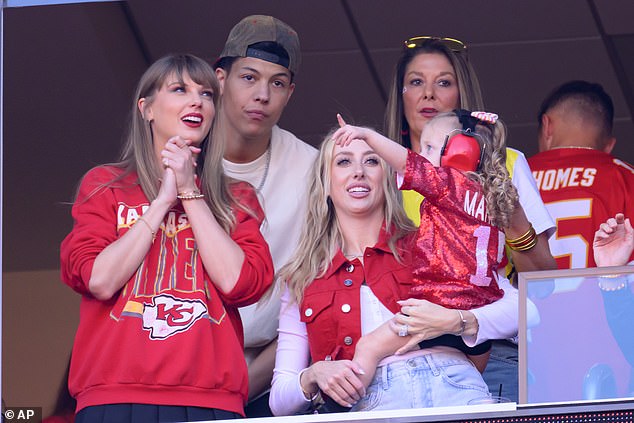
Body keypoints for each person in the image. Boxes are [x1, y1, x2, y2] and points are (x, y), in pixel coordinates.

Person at [60, 54, 274, 421]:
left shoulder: (237, 196)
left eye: (207, 94)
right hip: (114, 394)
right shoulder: (105, 185)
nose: (197, 101)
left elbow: (240, 283)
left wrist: (191, 192)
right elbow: (99, 278)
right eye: (180, 90)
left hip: (211, 399)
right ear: (147, 109)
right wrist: (162, 201)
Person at [269, 132, 520, 415]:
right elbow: (280, 400)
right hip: (371, 402)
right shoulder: (302, 276)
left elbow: (522, 309)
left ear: (388, 178)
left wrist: (458, 321)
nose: (359, 172)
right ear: (325, 183)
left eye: (372, 161)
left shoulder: (432, 240)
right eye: (343, 162)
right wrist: (314, 374)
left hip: (454, 384)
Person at [383, 36, 557, 402]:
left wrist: (513, 223)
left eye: (443, 82)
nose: (428, 94)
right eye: (416, 82)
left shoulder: (505, 161)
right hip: (401, 354)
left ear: (463, 95)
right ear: (401, 96)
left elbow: (543, 281)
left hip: (495, 349)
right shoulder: (378, 170)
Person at [333, 110, 524, 378]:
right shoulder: (494, 200)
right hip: (478, 330)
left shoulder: (448, 186)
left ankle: (341, 404)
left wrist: (368, 136)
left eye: (430, 148)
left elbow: (406, 163)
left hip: (437, 307)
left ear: (460, 152)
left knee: (368, 347)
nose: (421, 155)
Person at [212, 15, 318, 417]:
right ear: (220, 78)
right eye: (249, 77)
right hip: (180, 368)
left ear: (290, 92)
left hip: (270, 375)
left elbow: (316, 295)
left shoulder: (314, 170)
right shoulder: (179, 159)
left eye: (277, 83)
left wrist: (246, 386)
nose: (262, 95)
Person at [529, 80, 634, 269]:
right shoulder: (627, 179)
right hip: (605, 298)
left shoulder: (511, 177)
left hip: (527, 299)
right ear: (609, 145)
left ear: (547, 126)